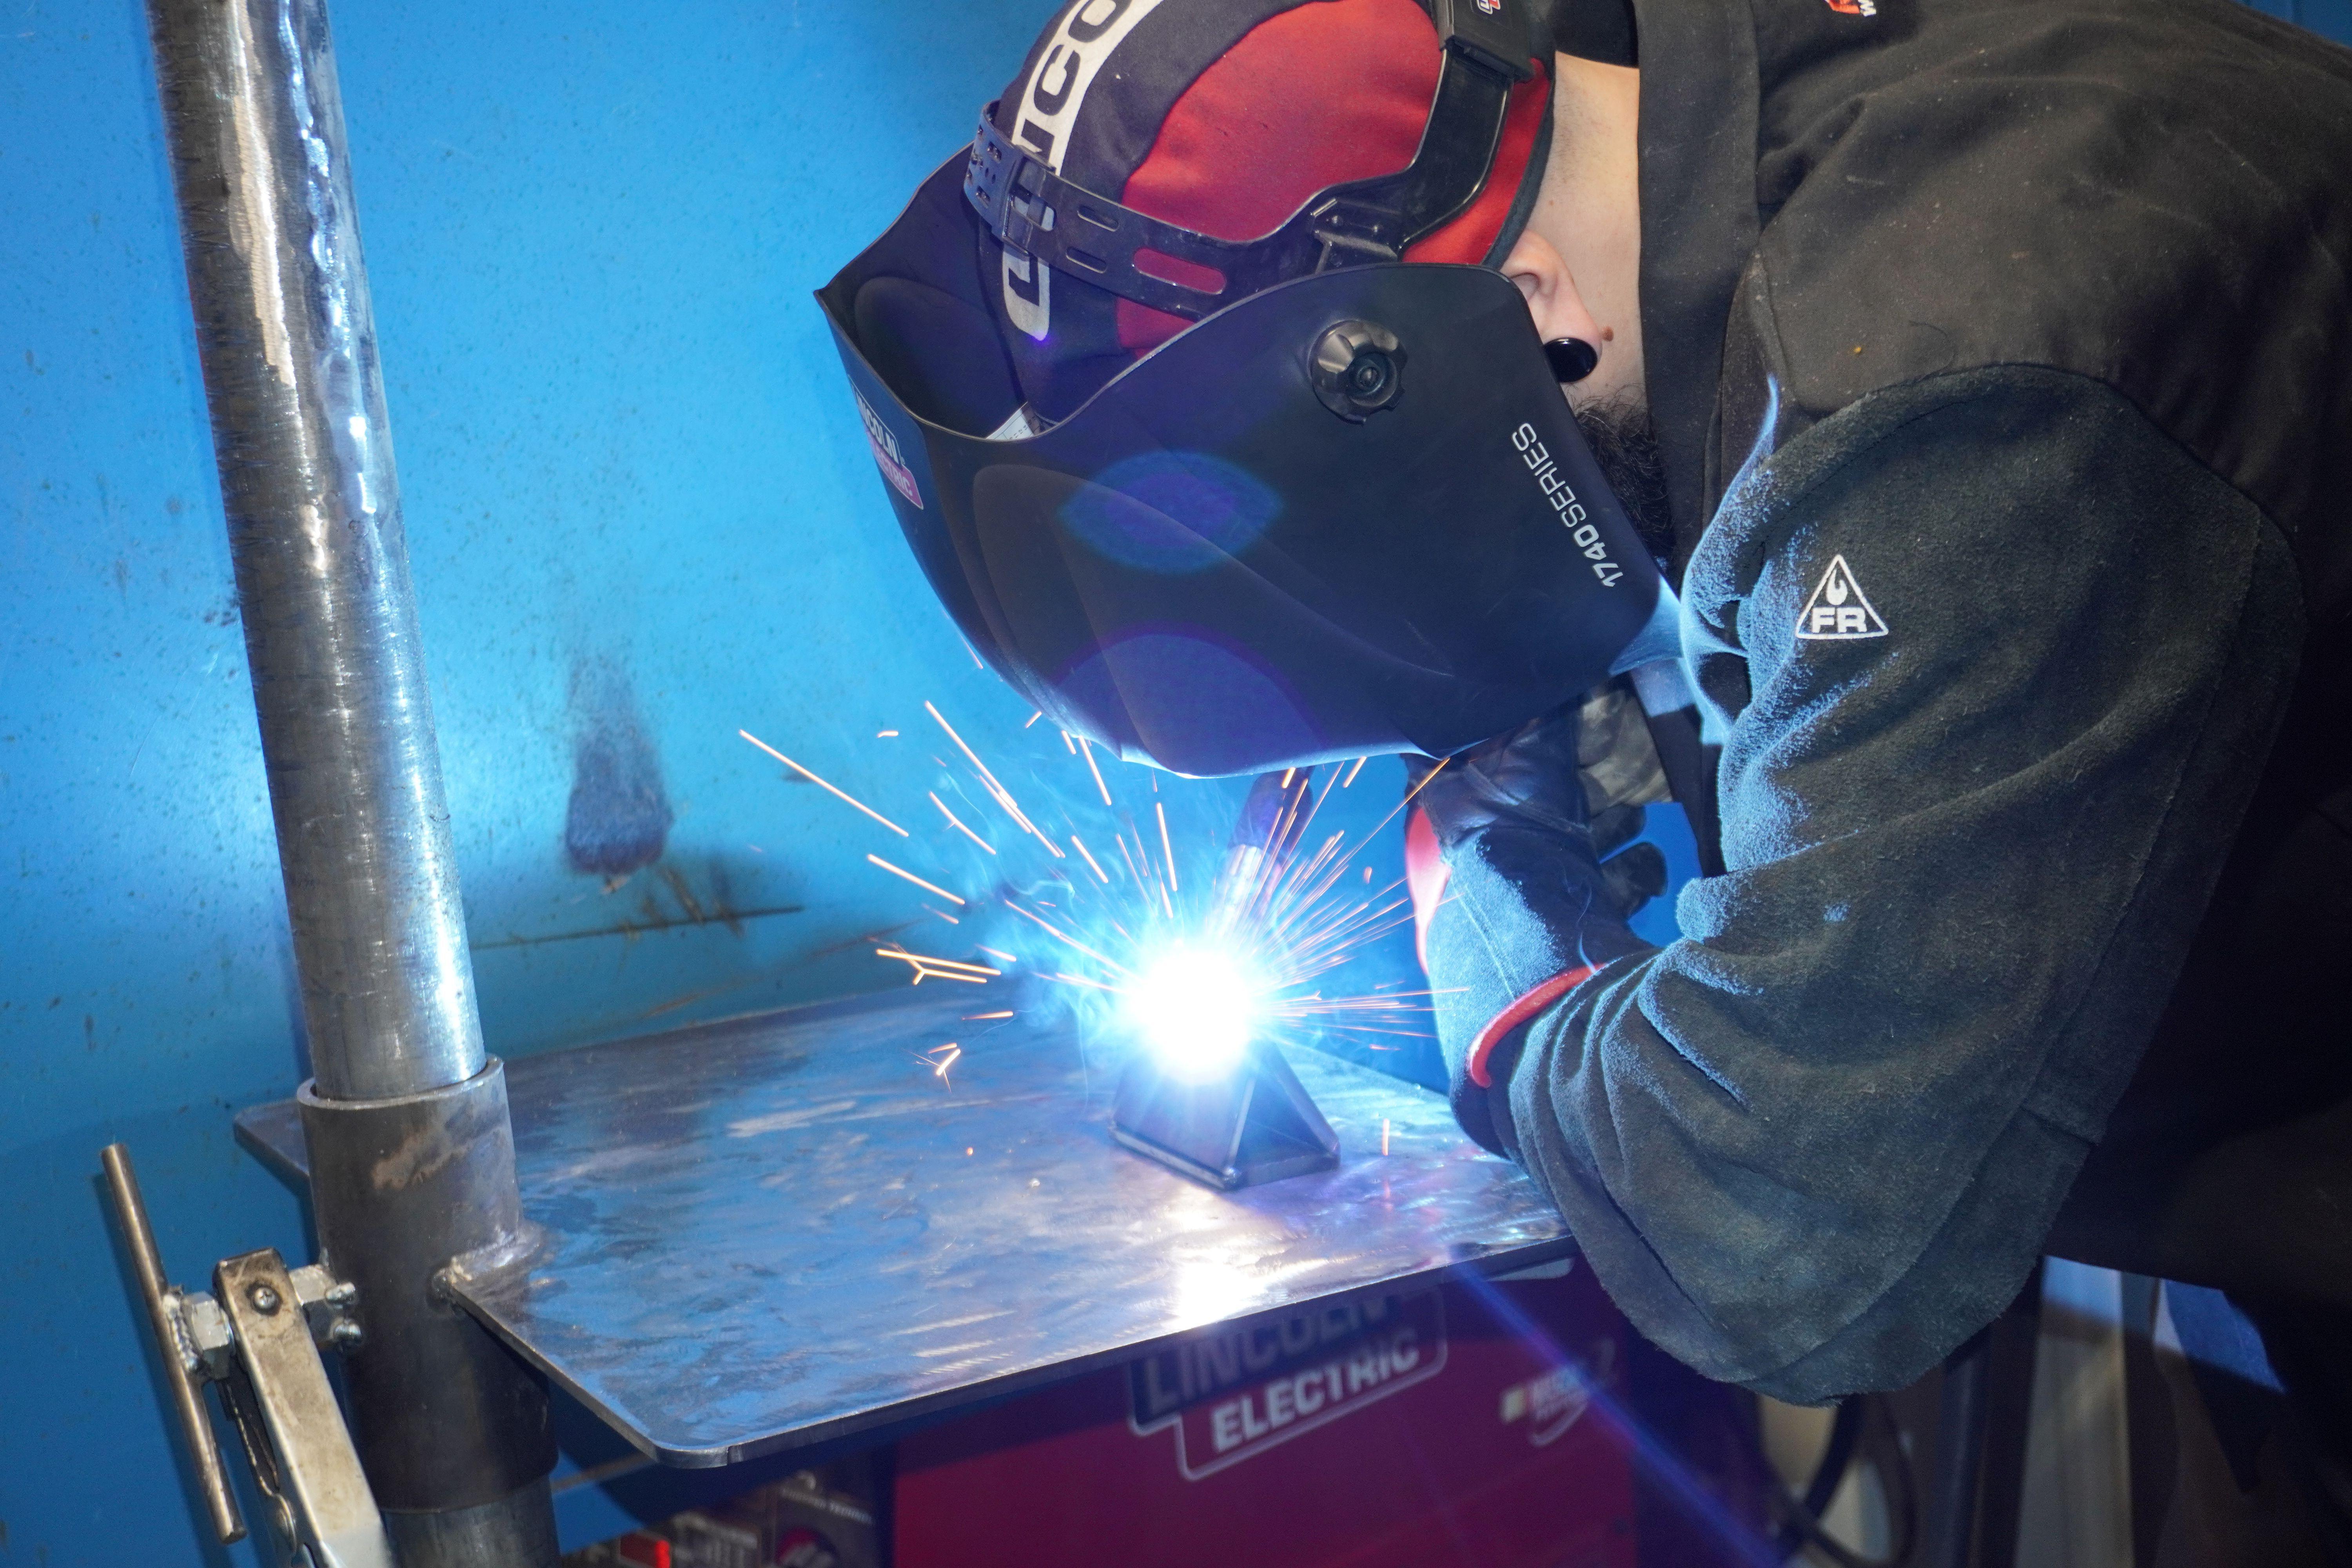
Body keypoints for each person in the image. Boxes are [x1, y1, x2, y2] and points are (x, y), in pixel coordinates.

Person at [820, 0, 2352, 1548]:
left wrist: (1512, 966)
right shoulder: (1640, 111)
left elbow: (1787, 1240)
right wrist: (1660, 641)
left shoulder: (1961, 401)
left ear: (1528, 306)